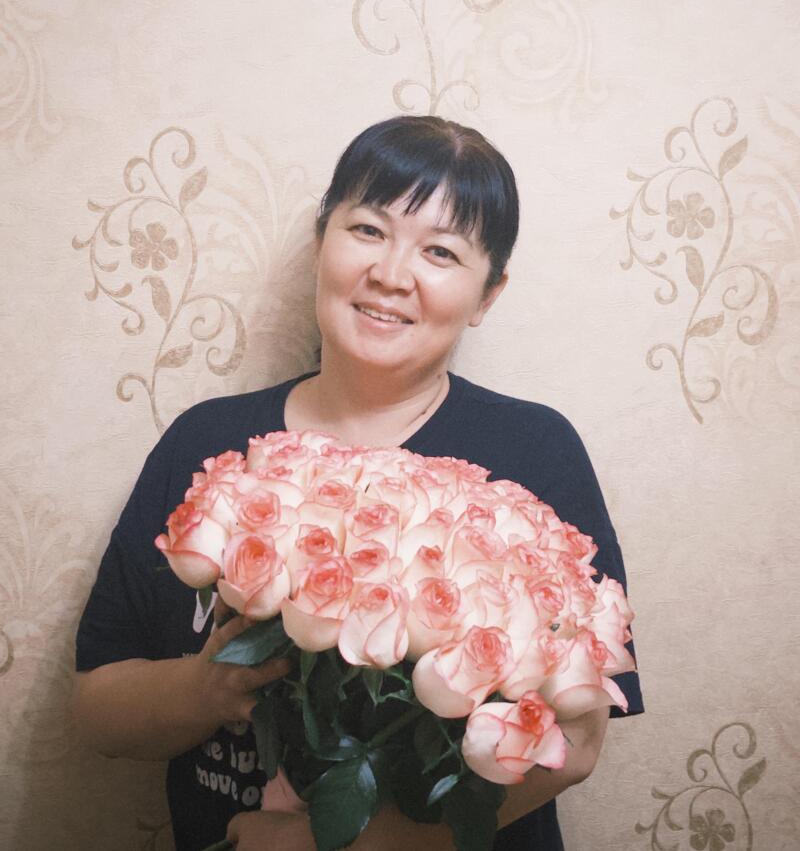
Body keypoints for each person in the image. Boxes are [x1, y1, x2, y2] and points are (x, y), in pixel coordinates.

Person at [73, 115, 643, 851]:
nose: (391, 274)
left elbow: (579, 740)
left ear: (487, 293)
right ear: (322, 240)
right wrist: (211, 684)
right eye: (369, 230)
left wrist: (349, 843)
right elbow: (95, 710)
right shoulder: (209, 443)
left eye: (440, 251)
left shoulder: (533, 450)